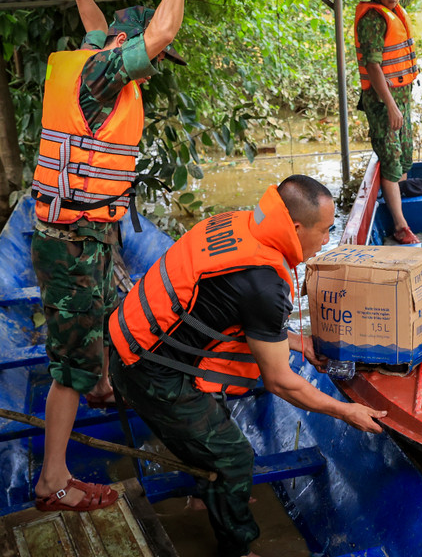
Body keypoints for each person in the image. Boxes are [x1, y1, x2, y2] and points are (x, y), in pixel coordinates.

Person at [107, 175, 388, 557]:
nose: (327, 240)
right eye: (324, 231)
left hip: (134, 338)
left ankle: (207, 498)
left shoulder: (239, 223)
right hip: (149, 370)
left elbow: (236, 310)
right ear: (296, 227)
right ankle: (236, 548)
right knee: (235, 457)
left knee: (215, 422)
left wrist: (296, 342)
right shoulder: (264, 283)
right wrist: (345, 410)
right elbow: (280, 382)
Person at [30, 0, 192, 512]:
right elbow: (163, 32)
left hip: (84, 234)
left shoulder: (95, 55)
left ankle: (99, 379)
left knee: (97, 321)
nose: (152, 72)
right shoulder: (101, 77)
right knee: (69, 365)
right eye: (148, 60)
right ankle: (54, 480)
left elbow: (94, 22)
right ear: (127, 47)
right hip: (71, 240)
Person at [354, 0, 421, 245]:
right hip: (384, 104)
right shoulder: (373, 20)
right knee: (392, 159)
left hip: (402, 100)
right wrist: (392, 106)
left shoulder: (395, 6)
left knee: (405, 153)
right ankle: (399, 226)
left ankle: (401, 195)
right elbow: (373, 66)